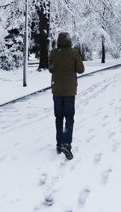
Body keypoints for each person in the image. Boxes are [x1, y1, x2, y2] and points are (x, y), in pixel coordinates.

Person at [48, 31, 85, 160]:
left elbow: (50, 69)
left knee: (58, 117)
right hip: (69, 91)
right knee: (69, 118)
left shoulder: (53, 53)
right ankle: (66, 143)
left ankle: (59, 144)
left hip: (57, 91)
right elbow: (81, 70)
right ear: (69, 40)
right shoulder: (74, 52)